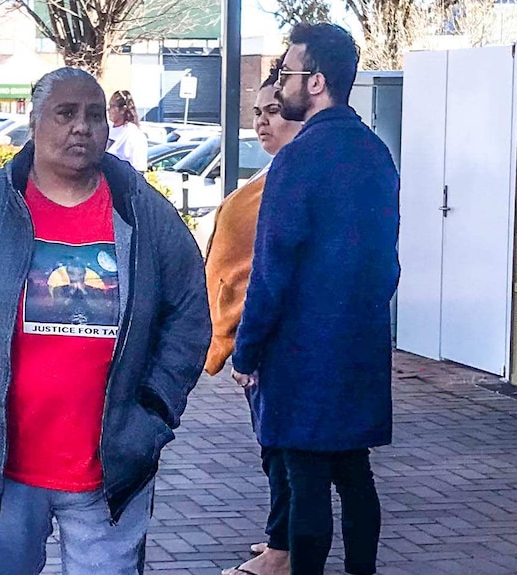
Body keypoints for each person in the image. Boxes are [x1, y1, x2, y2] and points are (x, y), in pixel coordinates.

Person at [0, 67, 211, 575]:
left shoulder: (146, 215)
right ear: (35, 124)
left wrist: (155, 407)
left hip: (109, 470)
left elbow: (190, 314)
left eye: (93, 115)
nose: (81, 127)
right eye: (65, 114)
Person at [231, 23, 399, 575]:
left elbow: (272, 271)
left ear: (317, 82)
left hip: (302, 352)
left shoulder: (298, 161)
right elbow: (388, 263)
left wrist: (247, 350)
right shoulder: (376, 153)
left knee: (305, 480)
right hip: (361, 345)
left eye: (287, 74)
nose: (279, 86)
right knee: (354, 474)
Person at [204, 63, 302, 575]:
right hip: (248, 325)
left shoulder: (292, 177)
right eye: (257, 113)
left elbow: (273, 265)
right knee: (272, 446)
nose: (263, 122)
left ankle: (285, 551)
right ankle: (278, 538)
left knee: (283, 447)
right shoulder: (272, 172)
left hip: (269, 333)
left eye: (274, 111)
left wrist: (253, 341)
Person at [106, 89, 148, 171]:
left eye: (112, 106)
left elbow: (139, 169)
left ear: (123, 110)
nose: (108, 110)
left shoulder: (134, 134)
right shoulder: (107, 129)